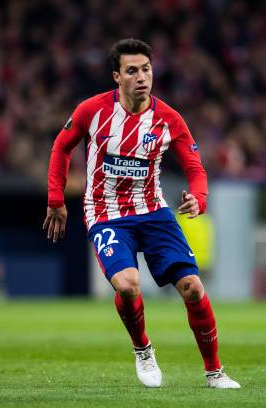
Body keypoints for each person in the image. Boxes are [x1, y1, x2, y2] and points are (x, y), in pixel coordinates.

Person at [42, 38, 240, 389]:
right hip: (105, 212)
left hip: (153, 211)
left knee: (193, 288)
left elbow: (195, 169)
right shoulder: (93, 110)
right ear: (116, 77)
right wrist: (56, 198)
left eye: (146, 69)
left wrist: (199, 197)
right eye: (132, 71)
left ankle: (214, 372)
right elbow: (61, 146)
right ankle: (143, 348)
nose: (141, 77)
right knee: (129, 284)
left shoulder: (168, 119)